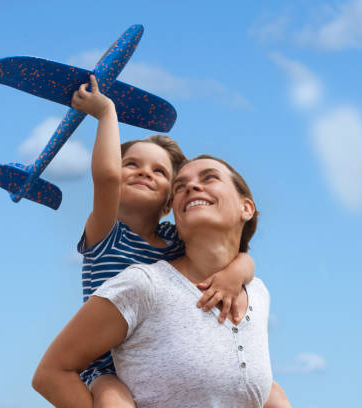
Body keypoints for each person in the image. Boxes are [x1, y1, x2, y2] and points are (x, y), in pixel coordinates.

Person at [33, 155, 291, 407]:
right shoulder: (144, 285)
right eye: (180, 187)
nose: (191, 186)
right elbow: (51, 374)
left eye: (209, 178)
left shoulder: (258, 292)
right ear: (175, 216)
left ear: (246, 208)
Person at [69, 76, 258, 407]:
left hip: (156, 361)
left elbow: (242, 258)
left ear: (171, 201)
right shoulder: (106, 234)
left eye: (159, 172)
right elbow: (107, 177)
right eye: (132, 164)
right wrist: (106, 113)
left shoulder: (175, 240)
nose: (145, 172)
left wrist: (235, 275)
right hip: (105, 366)